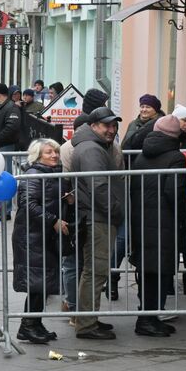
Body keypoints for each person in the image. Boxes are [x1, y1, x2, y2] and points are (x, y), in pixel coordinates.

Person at [129, 116, 186, 337]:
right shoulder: (176, 158)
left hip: (141, 220)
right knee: (161, 272)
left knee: (147, 271)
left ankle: (148, 317)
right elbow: (176, 193)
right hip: (165, 222)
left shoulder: (142, 156)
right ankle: (147, 320)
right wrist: (183, 217)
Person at [71, 108, 124, 340]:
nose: (111, 130)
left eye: (113, 126)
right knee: (95, 271)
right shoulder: (92, 149)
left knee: (95, 270)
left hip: (97, 215)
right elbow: (99, 186)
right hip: (98, 217)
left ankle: (89, 319)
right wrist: (116, 211)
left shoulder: (92, 146)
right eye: (106, 126)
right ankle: (86, 324)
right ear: (93, 126)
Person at [11, 139, 71, 344]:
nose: (54, 155)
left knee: (42, 282)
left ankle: (34, 323)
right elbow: (28, 204)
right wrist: (53, 220)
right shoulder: (34, 175)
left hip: (42, 236)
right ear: (37, 156)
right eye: (48, 152)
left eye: (55, 151)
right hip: (31, 236)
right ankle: (27, 326)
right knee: (37, 283)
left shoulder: (50, 174)